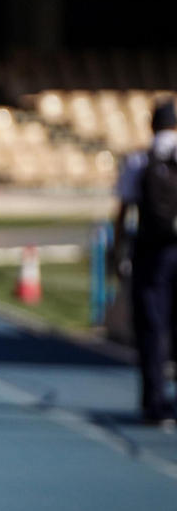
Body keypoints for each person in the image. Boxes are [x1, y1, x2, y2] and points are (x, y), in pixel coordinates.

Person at [113, 98, 177, 429]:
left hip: (153, 251)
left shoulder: (140, 159)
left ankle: (155, 402)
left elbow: (123, 212)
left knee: (152, 327)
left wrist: (116, 252)